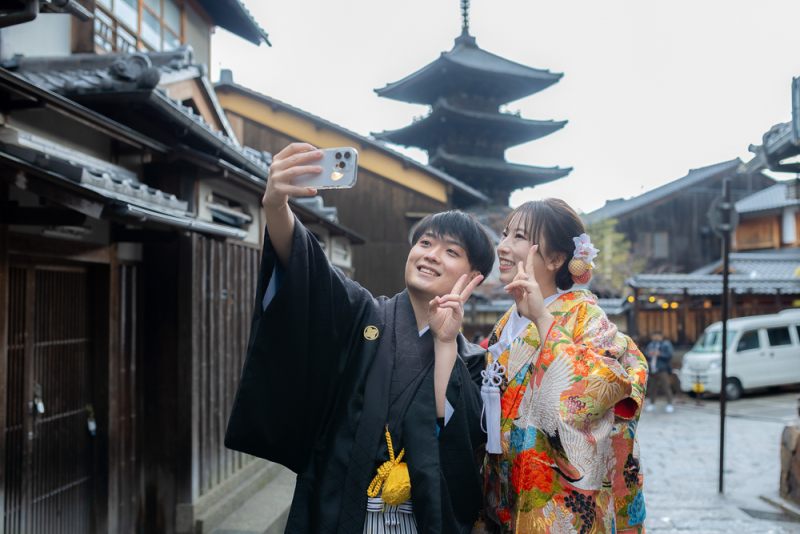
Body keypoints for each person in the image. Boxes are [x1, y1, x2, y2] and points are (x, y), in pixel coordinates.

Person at [225, 143, 494, 534]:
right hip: (340, 506)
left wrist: (445, 343)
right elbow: (309, 271)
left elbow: (455, 439)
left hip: (419, 519)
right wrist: (275, 206)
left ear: (473, 278)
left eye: (451, 251)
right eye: (424, 243)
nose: (431, 254)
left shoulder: (471, 360)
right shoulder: (363, 314)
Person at [472, 199, 649, 534]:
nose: (504, 247)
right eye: (505, 234)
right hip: (502, 493)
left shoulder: (586, 318)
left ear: (555, 259)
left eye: (519, 237)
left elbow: (601, 389)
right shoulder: (506, 323)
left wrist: (543, 319)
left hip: (556, 501)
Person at [645, 330, 674, 413]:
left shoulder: (666, 344)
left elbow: (670, 355)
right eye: (654, 336)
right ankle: (652, 403)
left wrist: (660, 354)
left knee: (666, 386)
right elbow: (645, 354)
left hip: (662, 369)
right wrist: (649, 354)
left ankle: (669, 403)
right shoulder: (651, 344)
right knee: (652, 387)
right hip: (653, 369)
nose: (656, 337)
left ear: (661, 336)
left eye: (657, 335)